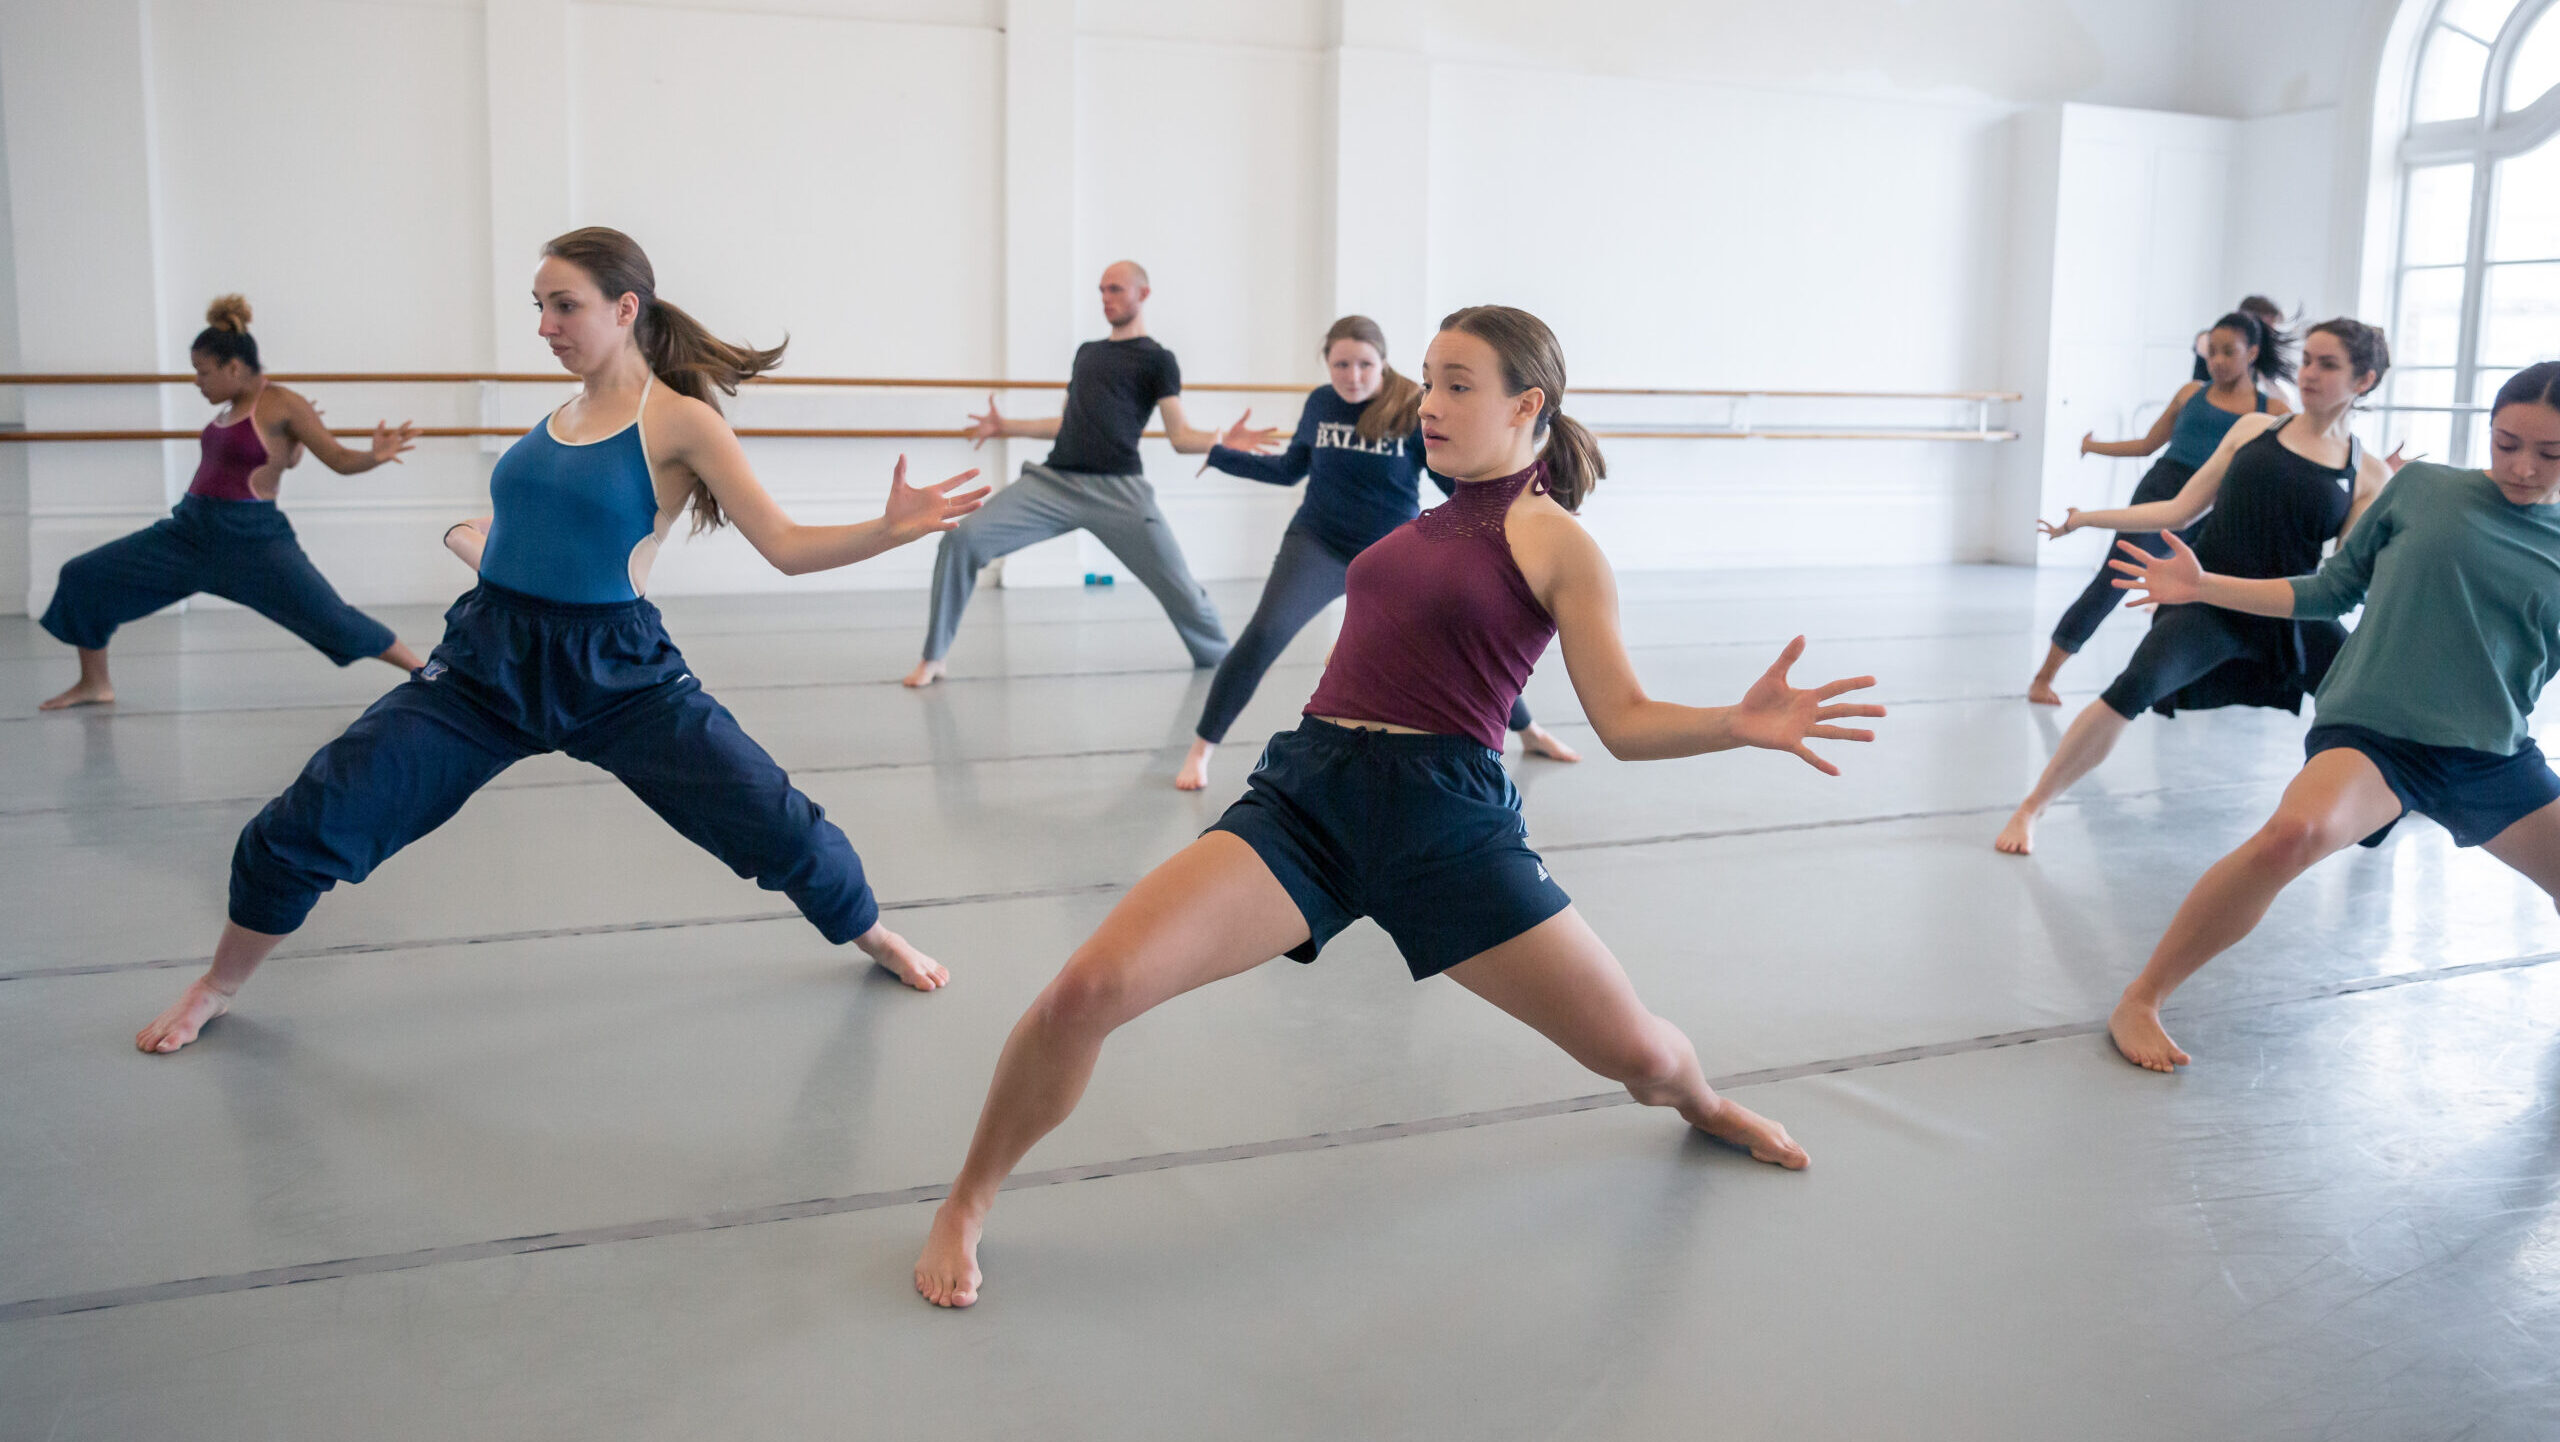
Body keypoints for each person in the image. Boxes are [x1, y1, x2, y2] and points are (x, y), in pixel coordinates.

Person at [912, 305, 1884, 1308]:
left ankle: (1704, 1100)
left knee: (1639, 1053)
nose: (1430, 403)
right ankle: (968, 1199)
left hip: (1448, 828)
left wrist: (1736, 719)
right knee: (1088, 988)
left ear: (1527, 405)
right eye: (1429, 378)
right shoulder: (1420, 512)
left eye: (1458, 383)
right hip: (1311, 798)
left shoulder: (1555, 542)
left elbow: (1625, 720)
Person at [133, 228, 988, 1054]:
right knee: (309, 818)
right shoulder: (565, 411)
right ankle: (219, 984)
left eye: (562, 307)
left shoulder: (682, 423)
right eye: (538, 306)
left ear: (626, 308)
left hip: (619, 676)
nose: (544, 327)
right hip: (485, 664)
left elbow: (788, 549)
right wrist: (475, 542)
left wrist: (890, 530)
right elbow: (533, 532)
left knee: (776, 822)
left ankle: (871, 932)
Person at [2101, 360, 2560, 1069]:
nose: (2522, 467)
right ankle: (2141, 999)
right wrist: (2203, 586)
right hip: (2377, 732)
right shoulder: (2425, 491)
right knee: (2293, 834)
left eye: (2549, 453)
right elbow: (2331, 590)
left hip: (2488, 751)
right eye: (2506, 443)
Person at [1995, 319, 2393, 856]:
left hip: (2289, 611)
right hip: (2208, 598)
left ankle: (2388, 809)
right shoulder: (2255, 430)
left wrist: (2388, 519)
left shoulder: (2366, 474)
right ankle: (2032, 807)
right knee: (2129, 690)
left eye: (2328, 365)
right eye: (2307, 361)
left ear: (2363, 380)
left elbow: (2344, 574)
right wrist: (2089, 517)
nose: (2309, 374)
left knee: (2370, 711)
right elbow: (2181, 508)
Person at [1178, 314, 1580, 791]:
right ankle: (1201, 748)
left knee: (1456, 639)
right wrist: (1221, 453)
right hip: (1317, 543)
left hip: (1393, 554)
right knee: (1264, 633)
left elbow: (1455, 482)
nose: (1352, 376)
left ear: (1383, 363)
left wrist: (1527, 511)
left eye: (1364, 365)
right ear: (1327, 365)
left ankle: (1528, 730)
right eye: (1340, 365)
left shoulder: (1415, 406)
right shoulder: (1321, 403)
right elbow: (1290, 470)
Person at [39, 295, 424, 709]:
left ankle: (428, 674)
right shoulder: (230, 407)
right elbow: (282, 458)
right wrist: (290, 449)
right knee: (84, 576)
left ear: (234, 368)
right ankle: (95, 684)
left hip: (252, 541)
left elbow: (338, 459)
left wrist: (375, 456)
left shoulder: (284, 403)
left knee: (332, 618)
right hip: (188, 534)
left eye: (202, 372)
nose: (197, 381)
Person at [904, 261, 1237, 687]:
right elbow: (1066, 423)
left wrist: (1222, 441)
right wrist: (1006, 426)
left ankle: (1223, 659)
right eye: (1101, 290)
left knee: (1182, 589)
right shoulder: (1088, 353)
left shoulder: (1158, 359)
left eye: (1115, 289)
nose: (1106, 298)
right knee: (961, 539)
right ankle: (934, 657)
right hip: (1053, 485)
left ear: (1143, 294)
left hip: (1120, 494)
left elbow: (1180, 435)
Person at [2026, 309, 2295, 705]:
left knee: (2205, 597)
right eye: (2211, 353)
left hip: (2219, 506)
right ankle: (2044, 678)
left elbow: (2296, 460)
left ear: (2252, 352)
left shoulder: (2271, 410)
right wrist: (2094, 446)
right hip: (2163, 490)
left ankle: (2176, 686)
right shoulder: (2190, 393)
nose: (2216, 361)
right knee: (2112, 582)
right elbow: (2148, 444)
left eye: (2228, 352)